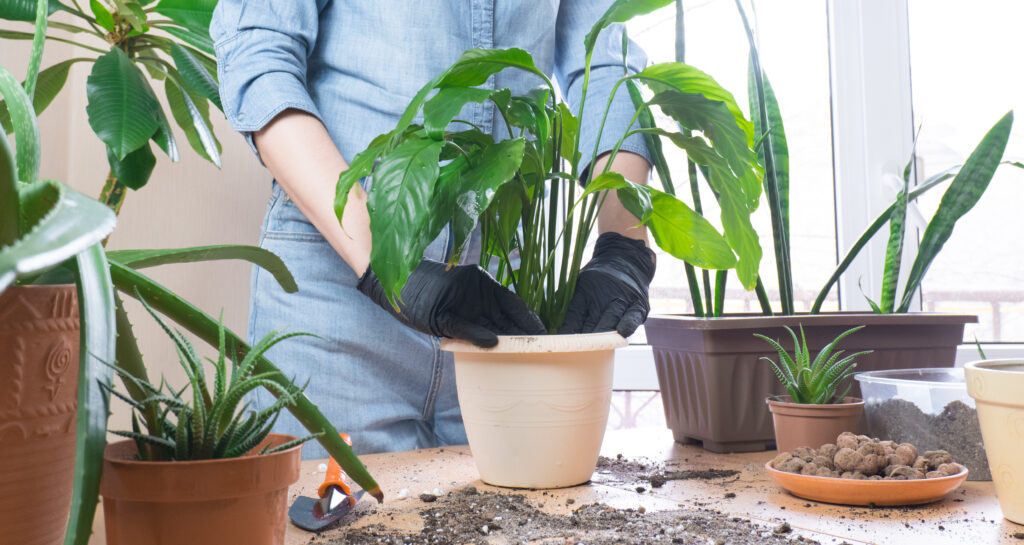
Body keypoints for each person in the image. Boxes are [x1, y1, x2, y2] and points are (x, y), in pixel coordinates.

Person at [210, 1, 657, 459]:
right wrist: (385, 264)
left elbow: (605, 63)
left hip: (502, 313)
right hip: (337, 308)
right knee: (336, 527)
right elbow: (260, 53)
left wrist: (624, 244)